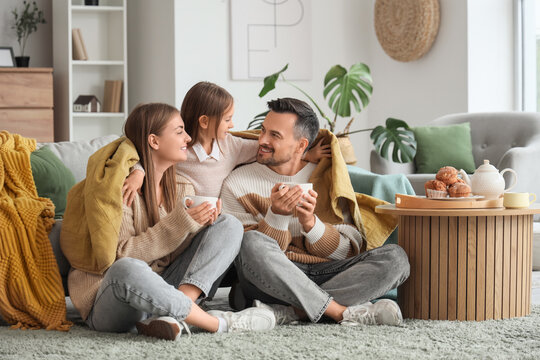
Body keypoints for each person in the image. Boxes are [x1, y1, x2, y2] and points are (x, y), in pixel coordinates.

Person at [63, 103, 275, 341]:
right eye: (179, 131)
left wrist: (200, 226)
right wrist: (181, 223)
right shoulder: (121, 188)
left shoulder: (183, 186)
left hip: (165, 287)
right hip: (113, 300)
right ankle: (218, 324)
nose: (187, 137)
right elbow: (120, 257)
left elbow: (176, 252)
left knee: (229, 224)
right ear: (154, 141)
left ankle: (172, 314)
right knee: (128, 268)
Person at [220, 98, 410, 326]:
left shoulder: (326, 177)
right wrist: (277, 216)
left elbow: (349, 251)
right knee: (250, 242)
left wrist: (312, 224)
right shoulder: (237, 182)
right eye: (263, 131)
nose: (262, 140)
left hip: (325, 270)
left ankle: (291, 312)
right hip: (275, 276)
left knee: (396, 259)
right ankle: (339, 311)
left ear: (301, 146)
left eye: (275, 135)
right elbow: (244, 256)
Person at [122, 81, 330, 204]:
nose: (232, 125)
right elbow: (150, 157)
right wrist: (138, 173)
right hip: (180, 215)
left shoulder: (231, 146)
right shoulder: (179, 148)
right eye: (227, 119)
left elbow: (266, 150)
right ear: (204, 121)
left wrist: (305, 154)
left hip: (211, 219)